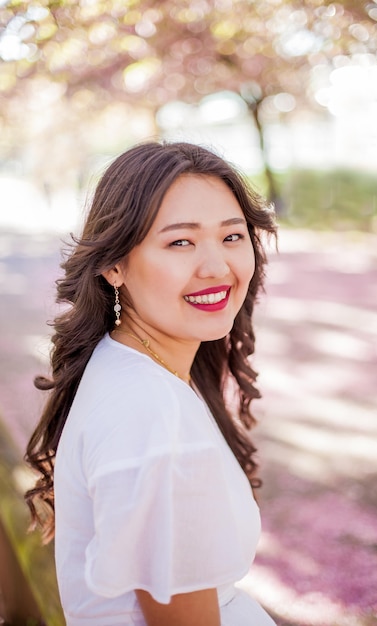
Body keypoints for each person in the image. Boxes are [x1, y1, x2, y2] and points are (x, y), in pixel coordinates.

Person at [25, 141, 277, 626]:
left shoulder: (131, 367)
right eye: (180, 242)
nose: (216, 267)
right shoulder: (152, 423)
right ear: (113, 264)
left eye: (232, 236)